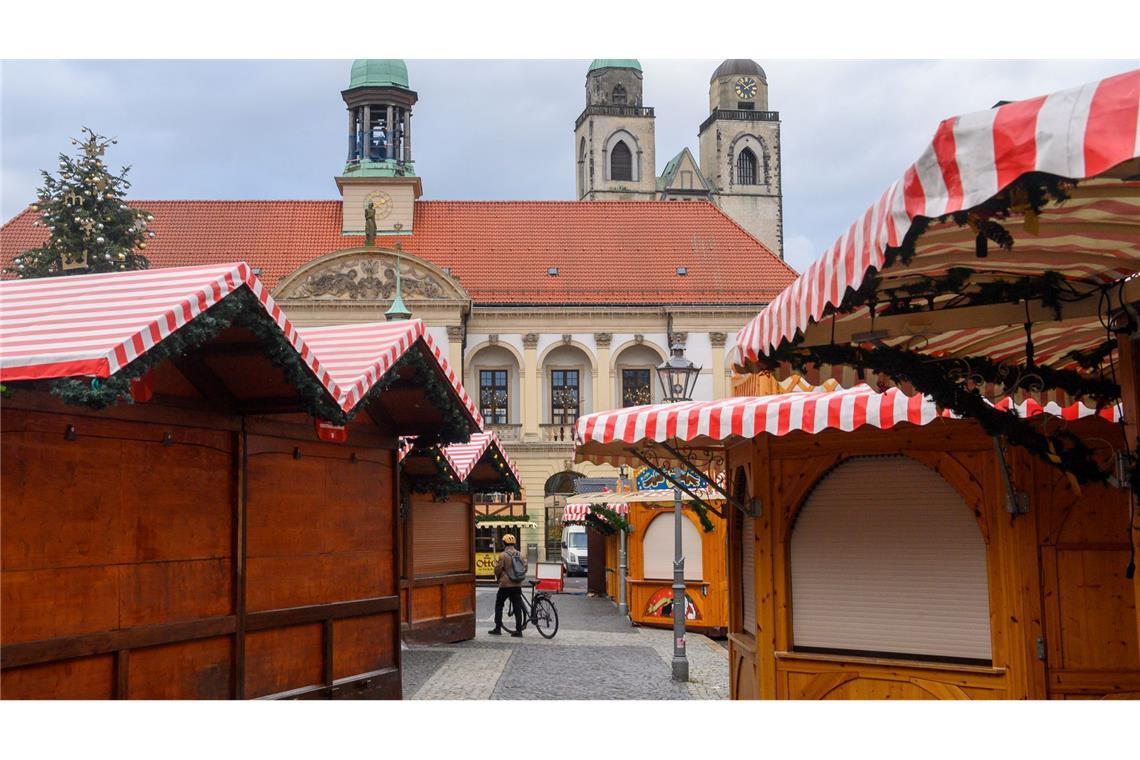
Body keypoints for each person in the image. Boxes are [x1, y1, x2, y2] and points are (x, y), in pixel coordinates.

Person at [488, 534, 527, 637]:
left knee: (499, 604)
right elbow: (525, 568)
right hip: (517, 585)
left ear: (504, 543)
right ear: (514, 543)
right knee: (517, 607)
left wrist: (498, 578)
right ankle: (519, 630)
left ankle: (497, 628)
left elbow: (498, 569)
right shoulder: (520, 555)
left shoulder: (503, 555)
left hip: (505, 585)